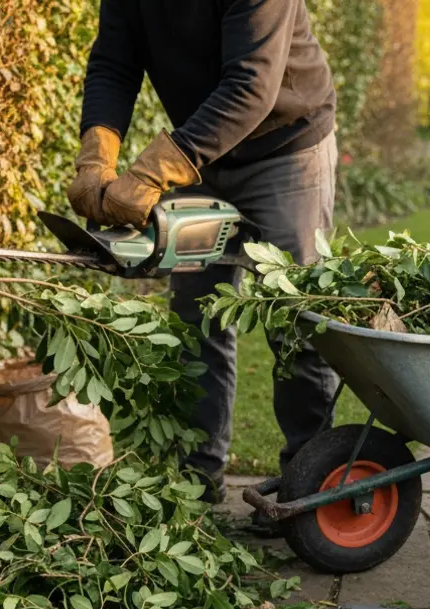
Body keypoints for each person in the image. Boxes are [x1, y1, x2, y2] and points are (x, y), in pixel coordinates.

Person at [68, 0, 341, 505]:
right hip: (205, 154)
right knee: (196, 316)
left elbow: (251, 86)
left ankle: (311, 484)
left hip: (287, 145)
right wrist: (96, 155)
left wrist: (151, 173)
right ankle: (198, 474)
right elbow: (113, 63)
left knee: (296, 320)